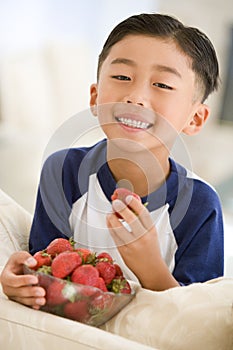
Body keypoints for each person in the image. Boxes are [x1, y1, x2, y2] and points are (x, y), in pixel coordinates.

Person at [0, 13, 224, 309]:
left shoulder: (200, 205)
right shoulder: (63, 171)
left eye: (163, 85)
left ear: (195, 118)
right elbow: (46, 273)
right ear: (95, 97)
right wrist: (23, 283)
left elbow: (199, 318)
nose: (136, 96)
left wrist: (150, 268)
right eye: (121, 77)